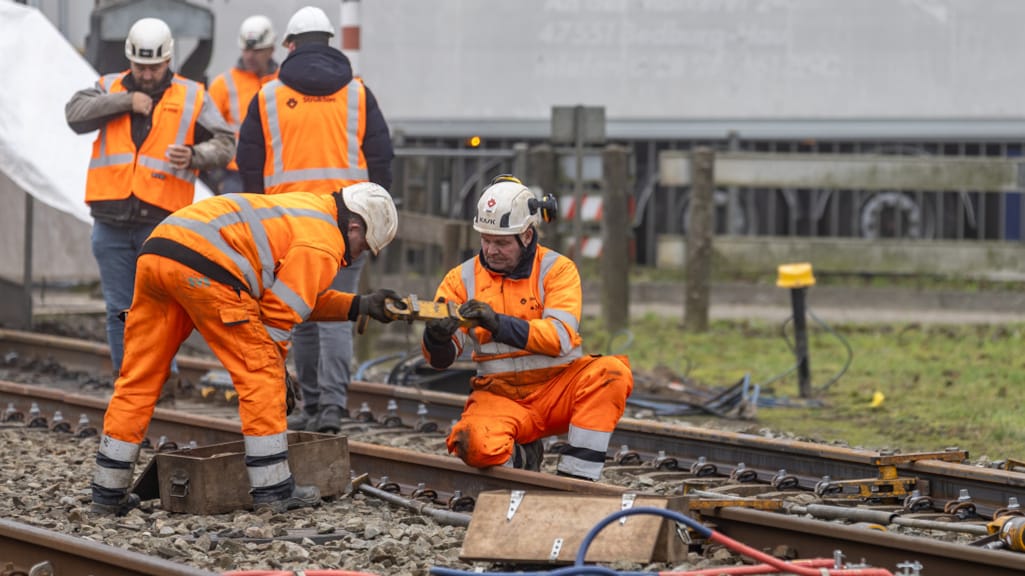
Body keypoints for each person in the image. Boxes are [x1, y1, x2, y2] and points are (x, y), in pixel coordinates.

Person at [90, 182, 403, 515]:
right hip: (208, 268)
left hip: (159, 254)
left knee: (138, 379)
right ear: (355, 226)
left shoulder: (307, 211)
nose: (357, 257)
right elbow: (278, 319)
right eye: (363, 248)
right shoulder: (324, 243)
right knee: (262, 375)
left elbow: (290, 293)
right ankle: (273, 490)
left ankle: (108, 494)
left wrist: (358, 305)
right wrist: (277, 373)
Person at [237, 5, 394, 435]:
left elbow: (247, 163)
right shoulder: (359, 94)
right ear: (330, 42)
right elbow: (382, 160)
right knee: (341, 313)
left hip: (284, 226)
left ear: (288, 45)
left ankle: (308, 404)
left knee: (298, 313)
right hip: (351, 225)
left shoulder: (268, 95)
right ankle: (332, 408)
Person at [420, 176, 634, 481]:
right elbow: (440, 359)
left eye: (502, 242)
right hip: (501, 395)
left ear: (527, 235)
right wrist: (436, 336)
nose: (491, 250)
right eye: (485, 239)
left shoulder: (557, 269)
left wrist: (498, 324)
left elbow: (559, 337)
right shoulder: (460, 279)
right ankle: (524, 458)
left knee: (611, 372)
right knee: (472, 444)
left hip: (557, 388)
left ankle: (576, 481)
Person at [65, 17, 235, 377]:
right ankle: (127, 384)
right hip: (110, 221)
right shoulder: (109, 87)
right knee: (119, 309)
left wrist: (194, 156)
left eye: (154, 66)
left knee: (160, 309)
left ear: (168, 60)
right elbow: (74, 114)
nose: (146, 74)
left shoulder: (192, 96)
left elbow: (225, 143)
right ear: (130, 59)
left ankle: (161, 380)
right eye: (140, 66)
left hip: (163, 223)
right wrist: (125, 101)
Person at [205, 15, 280, 195]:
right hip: (234, 174)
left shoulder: (283, 81)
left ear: (271, 49)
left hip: (275, 170)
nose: (249, 56)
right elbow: (207, 131)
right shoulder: (223, 85)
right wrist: (216, 175)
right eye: (246, 50)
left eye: (257, 51)